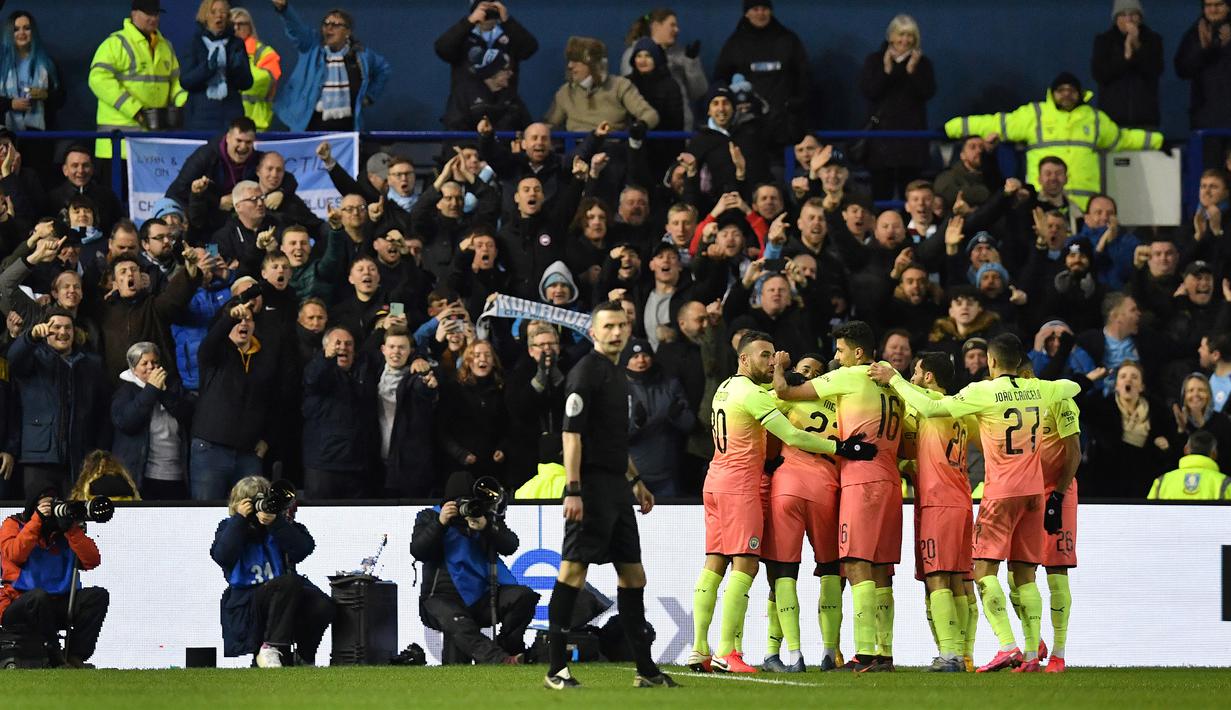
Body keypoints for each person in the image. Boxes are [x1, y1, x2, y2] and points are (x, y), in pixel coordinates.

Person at [868, 334, 1080, 673]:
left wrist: (894, 378)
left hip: (1001, 492)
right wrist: (1048, 387)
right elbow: (1072, 387)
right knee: (1025, 573)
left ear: (992, 362)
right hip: (1035, 493)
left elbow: (934, 407)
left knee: (982, 570)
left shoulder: (982, 392)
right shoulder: (1043, 390)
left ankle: (1006, 645)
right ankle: (1029, 654)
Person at [543, 302, 672, 690]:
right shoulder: (586, 372)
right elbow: (572, 435)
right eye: (608, 326)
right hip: (591, 487)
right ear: (593, 332)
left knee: (633, 576)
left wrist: (635, 481)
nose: (616, 332)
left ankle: (646, 671)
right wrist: (574, 489)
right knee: (573, 571)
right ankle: (555, 669)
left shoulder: (617, 374)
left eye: (622, 325)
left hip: (617, 487)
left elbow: (613, 439)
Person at [773, 322, 903, 672]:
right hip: (891, 480)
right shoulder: (893, 386)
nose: (836, 357)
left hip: (860, 481)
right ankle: (884, 653)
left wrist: (781, 366)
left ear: (858, 353)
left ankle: (862, 653)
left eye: (840, 350)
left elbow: (784, 392)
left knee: (857, 563)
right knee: (881, 571)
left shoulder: (851, 376)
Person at [944, 72, 1162, 210]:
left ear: (1080, 93)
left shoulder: (1095, 119)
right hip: (1043, 202)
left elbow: (1122, 139)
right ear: (1052, 93)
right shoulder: (1035, 115)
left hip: (1084, 208)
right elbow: (998, 123)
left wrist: (1157, 141)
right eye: (1061, 90)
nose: (1066, 94)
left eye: (1071, 90)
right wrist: (953, 128)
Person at [756, 355, 844, 672]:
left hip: (787, 487)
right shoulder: (845, 407)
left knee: (783, 572)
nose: (804, 375)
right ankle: (829, 653)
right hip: (827, 492)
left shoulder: (790, 399)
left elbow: (758, 410)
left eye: (810, 372)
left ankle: (791, 655)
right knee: (831, 569)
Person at [894, 352, 975, 673]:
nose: (912, 376)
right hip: (959, 498)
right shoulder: (956, 410)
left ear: (928, 377)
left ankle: (951, 655)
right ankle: (963, 654)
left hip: (939, 501)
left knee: (937, 576)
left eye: (916, 371)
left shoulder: (929, 403)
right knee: (957, 578)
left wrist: (893, 379)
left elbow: (917, 401)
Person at [409, 471, 538, 664]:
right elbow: (419, 551)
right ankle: (501, 660)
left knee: (524, 596)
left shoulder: (484, 516)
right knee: (459, 627)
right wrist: (440, 523)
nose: (465, 508)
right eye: (459, 503)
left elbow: (511, 545)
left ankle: (509, 649)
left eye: (470, 502)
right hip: (440, 598)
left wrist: (487, 527)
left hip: (482, 597)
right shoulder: (430, 516)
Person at [210, 476, 334, 667]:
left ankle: (304, 657)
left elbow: (303, 549)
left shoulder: (279, 525)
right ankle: (270, 648)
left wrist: (276, 523)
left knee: (322, 603)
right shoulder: (228, 527)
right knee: (289, 582)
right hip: (247, 603)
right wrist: (240, 520)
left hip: (286, 597)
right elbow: (222, 556)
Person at [0, 485, 108, 668]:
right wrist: (37, 521)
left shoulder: (64, 531)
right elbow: (14, 554)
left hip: (57, 602)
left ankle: (75, 656)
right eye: (46, 506)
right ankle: (55, 657)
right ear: (34, 507)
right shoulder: (14, 523)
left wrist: (71, 530)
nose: (51, 512)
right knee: (38, 597)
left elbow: (92, 561)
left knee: (98, 596)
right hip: (18, 603)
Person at [9, 310, 108, 498]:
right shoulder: (33, 358)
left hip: (79, 459)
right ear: (45, 330)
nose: (63, 332)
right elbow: (13, 359)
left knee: (73, 522)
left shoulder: (91, 364)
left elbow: (101, 411)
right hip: (39, 458)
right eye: (56, 327)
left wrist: (98, 451)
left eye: (68, 327)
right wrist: (30, 337)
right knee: (39, 519)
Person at [191, 301, 284, 500]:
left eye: (248, 319)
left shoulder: (266, 357)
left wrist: (267, 439)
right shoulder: (214, 353)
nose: (243, 323)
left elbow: (275, 402)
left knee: (253, 516)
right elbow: (210, 341)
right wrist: (229, 317)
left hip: (249, 454)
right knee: (206, 514)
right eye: (238, 320)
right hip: (210, 450)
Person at [1029, 363, 1082, 673]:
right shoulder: (1010, 404)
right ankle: (1033, 641)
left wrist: (1058, 496)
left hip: (1057, 493)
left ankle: (1059, 653)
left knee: (1056, 570)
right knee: (1018, 570)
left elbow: (1074, 452)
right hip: (1026, 492)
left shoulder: (1059, 400)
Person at [87, 0, 186, 162]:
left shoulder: (165, 46)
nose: (153, 18)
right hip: (117, 146)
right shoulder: (116, 43)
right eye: (148, 13)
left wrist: (183, 103)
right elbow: (97, 79)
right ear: (134, 14)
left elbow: (176, 82)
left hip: (153, 147)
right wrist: (135, 110)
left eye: (156, 13)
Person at [270, 0, 390, 133]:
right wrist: (285, 10)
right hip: (310, 129)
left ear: (348, 32)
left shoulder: (361, 56)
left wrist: (370, 96)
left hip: (347, 132)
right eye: (326, 24)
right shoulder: (312, 47)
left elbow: (383, 69)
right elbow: (296, 29)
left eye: (335, 25)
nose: (329, 28)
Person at [857, 14, 936, 200]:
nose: (905, 40)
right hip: (880, 143)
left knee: (911, 196)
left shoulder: (922, 63)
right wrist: (886, 72)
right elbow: (869, 92)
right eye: (901, 34)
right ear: (890, 36)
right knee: (880, 197)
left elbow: (927, 93)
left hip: (911, 143)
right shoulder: (875, 60)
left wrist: (912, 72)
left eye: (910, 35)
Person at [713, 1, 809, 147]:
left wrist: (793, 105)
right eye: (755, 9)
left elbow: (804, 77)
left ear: (770, 11)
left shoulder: (788, 40)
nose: (760, 13)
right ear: (747, 13)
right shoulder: (735, 44)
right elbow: (720, 81)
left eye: (764, 9)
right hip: (746, 126)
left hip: (784, 126)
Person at [110, 342, 194, 500]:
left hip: (176, 474)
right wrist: (151, 390)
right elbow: (127, 423)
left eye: (154, 362)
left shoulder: (174, 387)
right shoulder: (124, 392)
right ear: (134, 368)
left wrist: (161, 392)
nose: (151, 367)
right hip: (142, 476)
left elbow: (187, 414)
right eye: (144, 363)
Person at [1081, 360, 1171, 497]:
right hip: (1106, 489)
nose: (1128, 380)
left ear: (1141, 387)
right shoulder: (1102, 409)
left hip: (1145, 490)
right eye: (1123, 376)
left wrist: (1165, 447)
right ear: (1117, 385)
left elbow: (1172, 452)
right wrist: (1088, 379)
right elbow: (1071, 403)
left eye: (1134, 377)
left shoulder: (1160, 413)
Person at [301, 326, 371, 499]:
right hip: (323, 466)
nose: (343, 347)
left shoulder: (361, 376)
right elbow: (312, 379)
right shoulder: (318, 373)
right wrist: (326, 358)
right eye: (337, 343)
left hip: (356, 467)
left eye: (348, 344)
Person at [369, 326, 439, 497]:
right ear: (383, 349)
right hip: (374, 462)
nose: (396, 352)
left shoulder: (417, 378)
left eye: (402, 347)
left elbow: (425, 391)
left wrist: (429, 387)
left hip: (409, 466)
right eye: (392, 346)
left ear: (411, 351)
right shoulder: (371, 376)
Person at [434, 1, 538, 108]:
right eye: (484, 7)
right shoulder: (462, 36)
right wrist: (468, 22)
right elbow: (442, 49)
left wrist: (507, 21)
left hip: (505, 110)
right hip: (466, 110)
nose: (488, 12)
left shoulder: (510, 34)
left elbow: (529, 49)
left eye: (493, 7)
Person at [623, 337, 693, 497]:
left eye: (645, 355)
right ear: (626, 361)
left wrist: (676, 417)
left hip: (667, 475)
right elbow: (613, 437)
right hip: (633, 477)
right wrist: (636, 425)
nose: (641, 360)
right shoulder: (619, 388)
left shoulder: (670, 385)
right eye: (634, 356)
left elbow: (689, 424)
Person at [544, 36, 659, 132]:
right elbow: (550, 123)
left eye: (576, 61)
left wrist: (639, 127)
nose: (570, 66)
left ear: (592, 64)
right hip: (577, 150)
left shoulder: (620, 86)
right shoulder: (565, 92)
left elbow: (650, 115)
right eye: (569, 61)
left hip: (611, 148)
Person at [621, 8, 707, 129]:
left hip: (679, 126)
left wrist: (691, 63)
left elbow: (698, 92)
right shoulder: (633, 54)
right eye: (672, 25)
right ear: (656, 26)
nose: (677, 30)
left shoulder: (681, 54)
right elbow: (631, 92)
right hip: (645, 126)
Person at [1175, 0, 1231, 168]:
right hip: (1206, 121)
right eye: (1208, 5)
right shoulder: (1194, 34)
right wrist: (1206, 49)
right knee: (1210, 176)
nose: (1213, 9)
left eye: (1218, 4)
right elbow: (1182, 70)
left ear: (1228, 6)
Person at [1091, 0, 1164, 129]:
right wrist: (1125, 58)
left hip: (1145, 119)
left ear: (1140, 18)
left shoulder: (1153, 40)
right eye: (1123, 15)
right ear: (1116, 18)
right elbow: (1100, 74)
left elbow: (1155, 70)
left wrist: (1136, 45)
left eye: (1133, 14)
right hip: (1112, 120)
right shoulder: (1104, 41)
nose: (1128, 19)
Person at [181, 0, 252, 131]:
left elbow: (247, 83)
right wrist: (207, 68)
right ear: (205, 16)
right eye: (213, 12)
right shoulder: (194, 43)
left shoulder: (236, 44)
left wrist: (237, 69)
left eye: (223, 12)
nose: (219, 16)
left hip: (230, 115)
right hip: (200, 116)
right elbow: (186, 81)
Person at [0, 10, 60, 132]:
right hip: (4, 134)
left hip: (37, 135)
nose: (21, 33)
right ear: (9, 33)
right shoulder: (1, 63)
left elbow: (60, 97)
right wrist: (10, 104)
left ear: (33, 32)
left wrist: (45, 95)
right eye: (16, 29)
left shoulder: (47, 63)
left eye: (26, 28)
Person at [48, 146, 121, 235]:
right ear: (65, 170)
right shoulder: (52, 198)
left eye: (85, 165)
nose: (81, 170)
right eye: (75, 166)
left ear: (92, 169)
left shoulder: (107, 197)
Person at [230, 7, 281, 131]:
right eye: (232, 24)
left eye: (241, 24)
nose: (236, 28)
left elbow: (264, 80)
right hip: (226, 121)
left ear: (249, 27)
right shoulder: (220, 50)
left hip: (255, 123)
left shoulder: (264, 52)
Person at [1148, 430, 1230, 499]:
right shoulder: (1225, 484)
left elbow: (1147, 515)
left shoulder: (1161, 482)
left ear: (1186, 449)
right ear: (1214, 454)